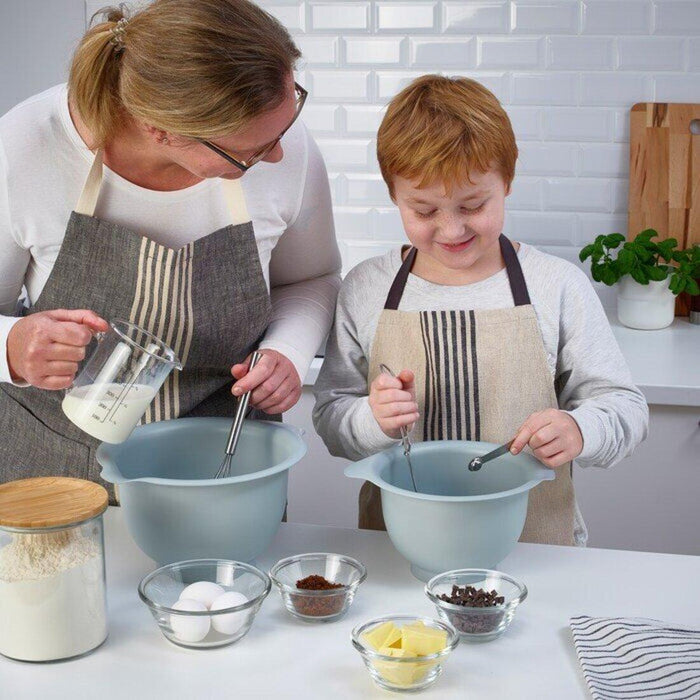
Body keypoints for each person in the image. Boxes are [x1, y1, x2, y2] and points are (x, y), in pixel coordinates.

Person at [0, 0, 340, 499]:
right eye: (245, 153)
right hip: (58, 469)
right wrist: (12, 347)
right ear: (160, 129)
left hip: (226, 466)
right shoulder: (26, 145)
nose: (278, 155)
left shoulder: (274, 136)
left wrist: (287, 351)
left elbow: (312, 278)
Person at [313, 75, 648, 544]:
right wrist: (372, 420)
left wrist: (579, 427)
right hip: (399, 550)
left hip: (534, 550)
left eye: (472, 205)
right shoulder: (366, 288)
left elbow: (625, 408)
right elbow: (331, 415)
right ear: (393, 194)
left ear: (506, 182)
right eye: (425, 211)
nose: (451, 230)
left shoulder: (557, 285)